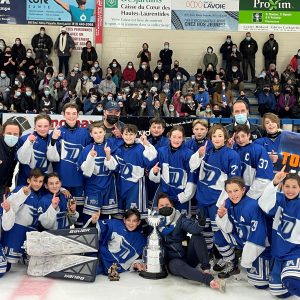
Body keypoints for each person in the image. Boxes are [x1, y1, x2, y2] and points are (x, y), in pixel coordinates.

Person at [189, 124, 241, 278]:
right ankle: (211, 256)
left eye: (220, 136)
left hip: (217, 201)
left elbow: (233, 181)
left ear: (225, 138)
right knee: (205, 232)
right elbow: (192, 166)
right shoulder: (206, 151)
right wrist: (198, 155)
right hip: (202, 198)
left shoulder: (232, 155)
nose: (217, 138)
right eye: (214, 136)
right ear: (210, 138)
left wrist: (224, 202)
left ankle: (231, 261)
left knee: (220, 233)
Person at [157, 193, 226, 293]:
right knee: (178, 266)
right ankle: (208, 280)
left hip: (186, 256)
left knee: (197, 236)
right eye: (161, 206)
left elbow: (194, 229)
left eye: (167, 205)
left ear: (172, 205)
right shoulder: (154, 221)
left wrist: (200, 223)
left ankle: (206, 268)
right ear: (157, 207)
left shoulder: (179, 217)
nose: (165, 207)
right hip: (173, 261)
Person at [216, 177, 270, 289]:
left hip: (259, 246)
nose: (233, 194)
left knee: (260, 284)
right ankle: (232, 263)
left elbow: (258, 235)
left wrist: (246, 259)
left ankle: (259, 262)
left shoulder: (252, 206)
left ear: (243, 190)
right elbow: (227, 229)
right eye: (229, 191)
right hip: (242, 240)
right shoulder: (227, 203)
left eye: (236, 190)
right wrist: (222, 216)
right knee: (218, 236)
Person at [46, 103, 91, 226]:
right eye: (68, 113)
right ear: (63, 115)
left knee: (79, 218)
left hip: (80, 182)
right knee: (60, 217)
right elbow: (51, 157)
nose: (71, 116)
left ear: (78, 115)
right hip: (62, 182)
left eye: (74, 113)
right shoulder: (57, 132)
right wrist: (54, 139)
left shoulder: (85, 133)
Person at [259, 169, 300, 298]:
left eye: (294, 187)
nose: (290, 190)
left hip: (295, 251)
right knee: (278, 292)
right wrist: (275, 182)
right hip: (278, 251)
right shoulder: (280, 199)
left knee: (292, 281)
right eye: (287, 186)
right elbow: (264, 204)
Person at [111, 125, 157, 218]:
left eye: (131, 134)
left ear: (136, 135)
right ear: (122, 135)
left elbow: (152, 157)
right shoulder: (118, 148)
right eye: (126, 134)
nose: (128, 137)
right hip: (121, 183)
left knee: (135, 215)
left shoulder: (141, 147)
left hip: (136, 185)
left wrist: (146, 143)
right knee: (120, 215)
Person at [2, 169, 45, 266]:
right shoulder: (21, 189)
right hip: (15, 232)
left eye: (40, 181)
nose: (37, 184)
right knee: (7, 264)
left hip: (29, 234)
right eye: (35, 180)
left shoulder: (41, 196)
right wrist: (22, 194)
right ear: (28, 180)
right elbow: (10, 204)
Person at [149, 125, 196, 214]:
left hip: (180, 193)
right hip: (163, 192)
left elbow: (192, 177)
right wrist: (154, 172)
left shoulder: (189, 154)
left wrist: (185, 196)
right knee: (159, 221)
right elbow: (156, 176)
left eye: (179, 137)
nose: (176, 140)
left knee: (180, 222)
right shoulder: (161, 151)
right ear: (169, 137)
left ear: (183, 139)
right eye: (174, 137)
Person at [86, 208, 146, 275]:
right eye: (128, 220)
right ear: (124, 220)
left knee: (90, 271)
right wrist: (93, 223)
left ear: (139, 222)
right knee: (86, 268)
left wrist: (137, 264)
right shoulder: (116, 225)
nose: (131, 223)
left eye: (134, 221)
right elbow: (98, 231)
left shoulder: (141, 239)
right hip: (101, 258)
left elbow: (137, 258)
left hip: (114, 268)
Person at [77, 121, 118, 221]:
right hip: (93, 188)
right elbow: (86, 172)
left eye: (100, 132)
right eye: (95, 133)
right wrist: (90, 158)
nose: (98, 135)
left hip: (109, 188)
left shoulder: (112, 144)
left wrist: (108, 154)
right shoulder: (87, 149)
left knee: (105, 220)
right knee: (90, 218)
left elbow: (115, 167)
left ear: (105, 132)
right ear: (91, 134)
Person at [233, 125, 273, 199]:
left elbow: (264, 178)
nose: (240, 140)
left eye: (243, 136)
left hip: (252, 195)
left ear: (249, 135)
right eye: (237, 137)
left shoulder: (258, 150)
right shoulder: (233, 149)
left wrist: (250, 196)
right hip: (235, 194)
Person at [16, 114, 52, 186]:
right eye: (39, 126)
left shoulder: (53, 140)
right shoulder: (24, 139)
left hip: (44, 182)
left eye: (45, 126)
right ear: (34, 126)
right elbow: (19, 159)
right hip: (25, 180)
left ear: (50, 126)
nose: (42, 129)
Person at [0, 120, 22, 196]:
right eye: (9, 133)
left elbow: (11, 169)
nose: (12, 136)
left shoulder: (16, 148)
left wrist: (8, 185)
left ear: (19, 135)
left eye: (15, 134)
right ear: (3, 133)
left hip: (3, 187)